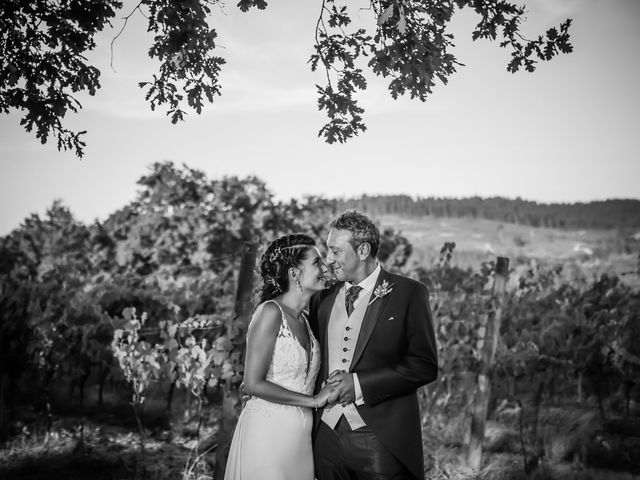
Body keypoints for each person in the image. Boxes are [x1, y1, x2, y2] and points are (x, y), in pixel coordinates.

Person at [309, 210, 438, 480]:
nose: (329, 260)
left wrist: (358, 385)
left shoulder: (409, 293)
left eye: (336, 251)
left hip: (380, 435)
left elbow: (424, 366)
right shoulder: (322, 296)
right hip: (325, 435)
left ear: (363, 250)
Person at [224, 233, 339, 480]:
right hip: (267, 434)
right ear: (294, 273)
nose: (324, 267)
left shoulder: (308, 321)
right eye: (316, 263)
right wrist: (315, 401)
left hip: (300, 440)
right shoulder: (269, 313)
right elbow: (253, 383)